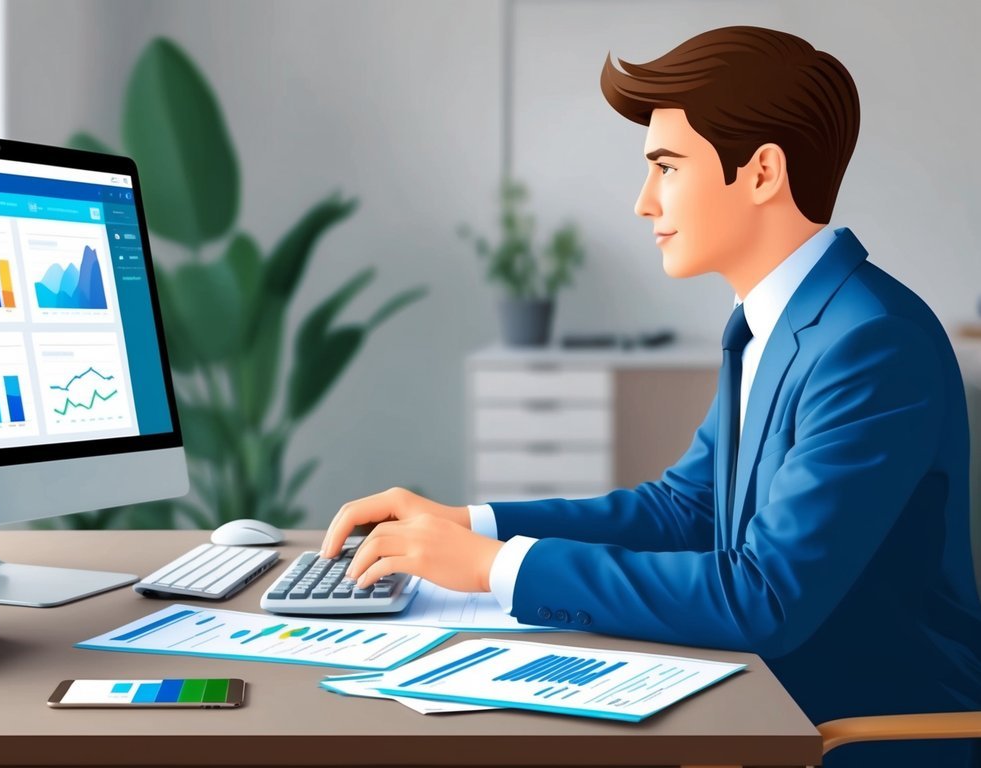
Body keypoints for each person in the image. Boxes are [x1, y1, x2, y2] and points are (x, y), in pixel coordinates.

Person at [321, 26, 980, 767]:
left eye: (666, 167)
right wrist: (473, 523)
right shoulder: (770, 323)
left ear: (761, 171)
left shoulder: (870, 342)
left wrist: (490, 568)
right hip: (770, 703)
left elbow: (765, 597)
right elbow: (686, 510)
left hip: (860, 731)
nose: (643, 202)